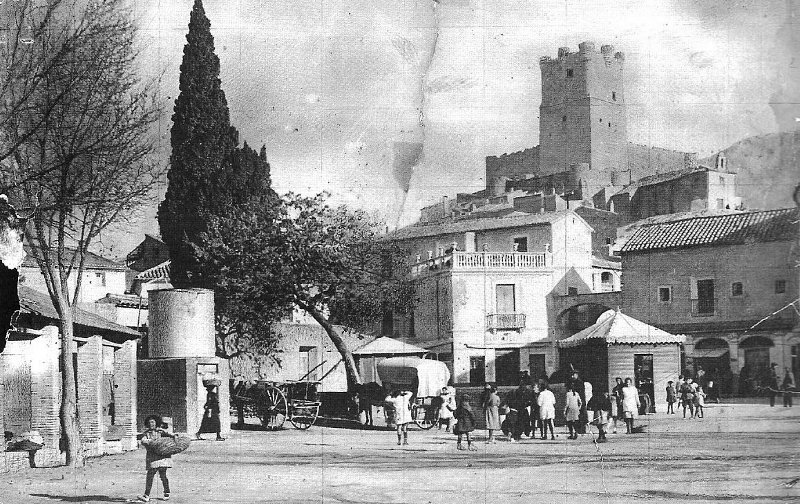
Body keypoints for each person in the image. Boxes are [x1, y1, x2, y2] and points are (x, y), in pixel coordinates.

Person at [135, 415, 176, 502]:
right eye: (149, 422)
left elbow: (172, 436)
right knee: (150, 476)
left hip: (162, 457)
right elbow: (143, 440)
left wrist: (171, 436)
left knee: (163, 475)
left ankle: (166, 493)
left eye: (153, 422)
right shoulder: (146, 433)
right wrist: (149, 442)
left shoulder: (161, 432)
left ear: (156, 422)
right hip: (152, 457)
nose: (151, 424)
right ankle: (146, 495)